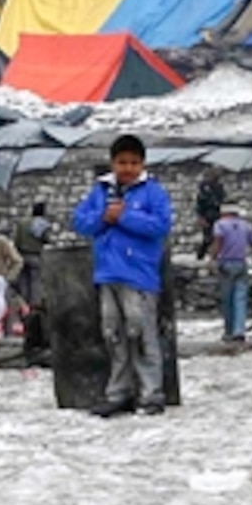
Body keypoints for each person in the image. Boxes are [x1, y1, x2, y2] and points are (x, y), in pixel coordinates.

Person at [72, 133, 174, 417]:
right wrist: (103, 217)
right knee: (114, 336)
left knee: (141, 335)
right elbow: (79, 221)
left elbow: (160, 226)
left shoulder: (153, 193)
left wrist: (125, 216)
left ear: (142, 164)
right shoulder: (101, 192)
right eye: (121, 162)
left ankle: (151, 393)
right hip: (107, 275)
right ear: (112, 163)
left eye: (133, 162)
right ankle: (119, 392)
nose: (127, 168)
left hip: (139, 277)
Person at [208, 199, 252, 345]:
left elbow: (218, 243)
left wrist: (212, 259)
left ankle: (229, 331)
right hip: (241, 263)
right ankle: (239, 331)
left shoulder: (220, 225)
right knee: (240, 299)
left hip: (226, 264)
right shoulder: (246, 225)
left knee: (227, 300)